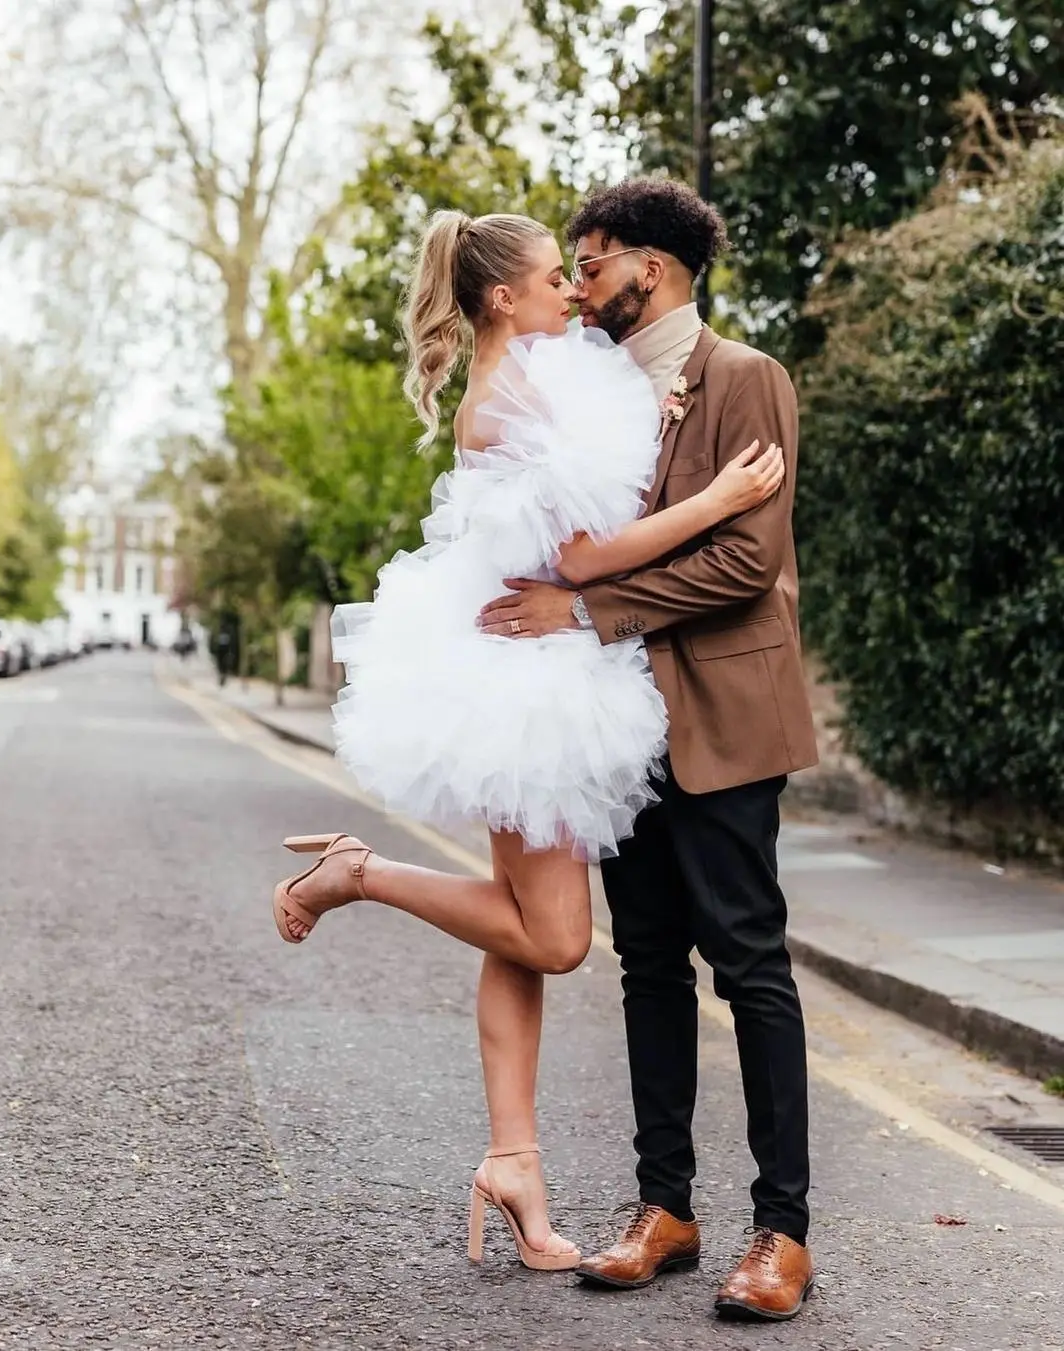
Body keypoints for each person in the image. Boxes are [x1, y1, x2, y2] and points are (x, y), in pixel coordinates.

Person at [270, 208, 784, 1273]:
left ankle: (515, 1162)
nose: (572, 292)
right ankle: (359, 873)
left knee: (519, 929)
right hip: (530, 688)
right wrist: (724, 497)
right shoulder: (514, 395)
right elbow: (588, 557)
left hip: (524, 675)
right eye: (556, 276)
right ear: (503, 296)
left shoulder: (527, 378)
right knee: (550, 936)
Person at [478, 178, 819, 1322]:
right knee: (646, 967)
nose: (577, 285)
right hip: (619, 730)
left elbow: (742, 566)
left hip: (724, 719)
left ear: (653, 270)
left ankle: (783, 1232)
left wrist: (586, 611)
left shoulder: (747, 378)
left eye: (592, 263)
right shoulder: (587, 393)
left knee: (751, 964)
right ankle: (663, 1210)